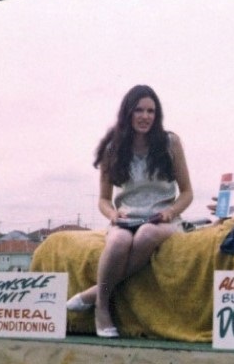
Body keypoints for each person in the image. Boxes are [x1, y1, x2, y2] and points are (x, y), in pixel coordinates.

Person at [66, 84, 193, 338]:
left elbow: (187, 193)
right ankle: (103, 309)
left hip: (161, 218)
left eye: (151, 111)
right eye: (139, 110)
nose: (145, 116)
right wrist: (113, 216)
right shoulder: (113, 148)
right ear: (128, 113)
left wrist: (169, 212)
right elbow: (103, 200)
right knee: (118, 242)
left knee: (146, 234)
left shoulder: (170, 142)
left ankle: (94, 295)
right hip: (125, 217)